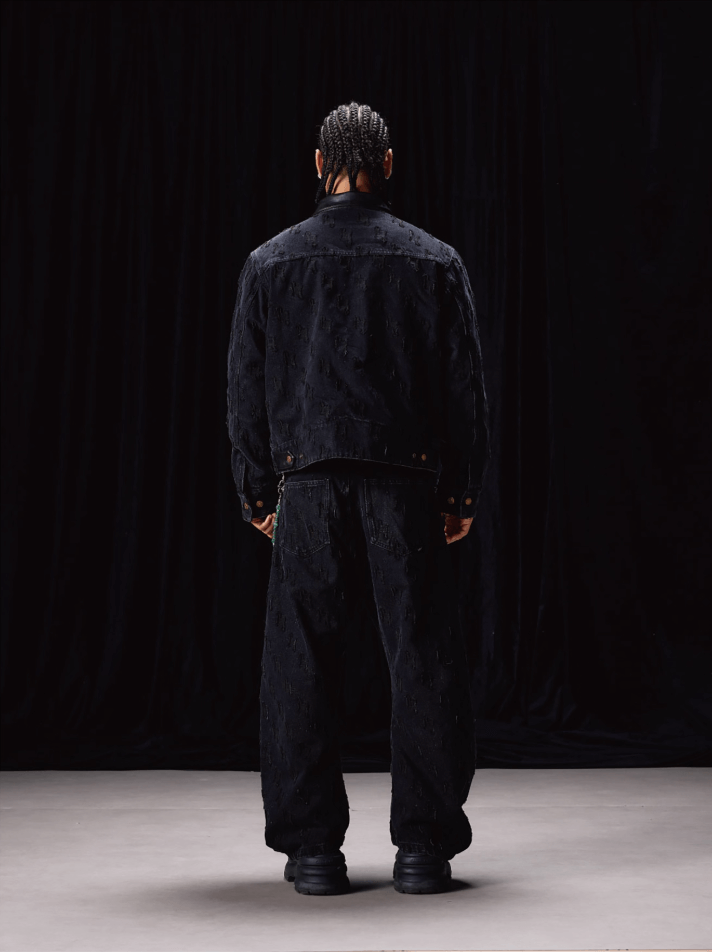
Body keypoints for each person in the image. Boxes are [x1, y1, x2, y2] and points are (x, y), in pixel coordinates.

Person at [226, 101, 490, 896]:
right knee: (424, 659)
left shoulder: (269, 263)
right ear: (388, 164)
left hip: (306, 483)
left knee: (300, 664)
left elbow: (244, 392)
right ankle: (424, 850)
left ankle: (312, 852)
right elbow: (464, 393)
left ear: (319, 164)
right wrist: (460, 492)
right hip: (405, 483)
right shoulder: (434, 261)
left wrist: (257, 491)